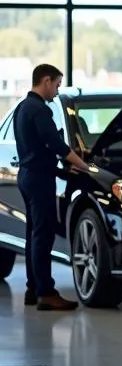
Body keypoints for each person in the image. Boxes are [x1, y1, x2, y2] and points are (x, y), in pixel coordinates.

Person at [13, 64, 88, 311]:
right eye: (56, 85)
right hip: (39, 180)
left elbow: (35, 151)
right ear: (46, 81)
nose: (56, 92)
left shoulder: (22, 108)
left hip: (27, 175)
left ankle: (33, 289)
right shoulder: (40, 110)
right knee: (43, 236)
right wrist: (83, 165)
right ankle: (46, 292)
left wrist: (61, 170)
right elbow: (54, 144)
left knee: (33, 233)